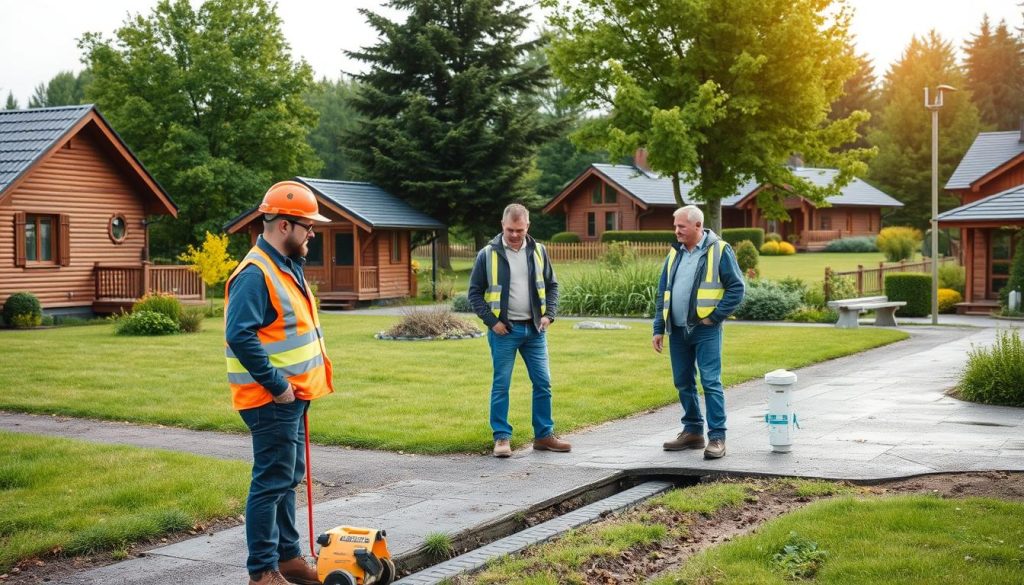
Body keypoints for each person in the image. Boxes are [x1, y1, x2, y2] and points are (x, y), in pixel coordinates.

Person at [225, 180, 334, 585]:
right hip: (270, 399)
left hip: (292, 397)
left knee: (288, 478)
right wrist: (277, 385)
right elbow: (240, 334)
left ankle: (288, 560)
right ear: (285, 225)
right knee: (271, 482)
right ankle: (262, 572)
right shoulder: (256, 273)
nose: (312, 234)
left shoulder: (287, 265)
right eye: (308, 227)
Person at [468, 203, 570, 458]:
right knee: (501, 384)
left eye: (520, 230)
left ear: (528, 227)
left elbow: (552, 285)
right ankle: (502, 438)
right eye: (510, 230)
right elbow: (474, 293)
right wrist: (493, 322)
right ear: (502, 226)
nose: (515, 235)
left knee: (543, 383)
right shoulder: (487, 254)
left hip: (535, 330)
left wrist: (549, 315)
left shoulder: (539, 251)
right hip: (504, 331)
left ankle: (544, 436)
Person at [652, 205, 745, 459]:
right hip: (678, 330)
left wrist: (714, 317)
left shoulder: (720, 250)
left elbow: (737, 288)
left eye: (681, 226)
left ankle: (717, 437)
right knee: (682, 381)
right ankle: (693, 430)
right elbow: (664, 293)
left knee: (710, 382)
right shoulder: (675, 254)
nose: (676, 231)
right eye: (675, 226)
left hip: (706, 331)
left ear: (697, 226)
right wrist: (659, 327)